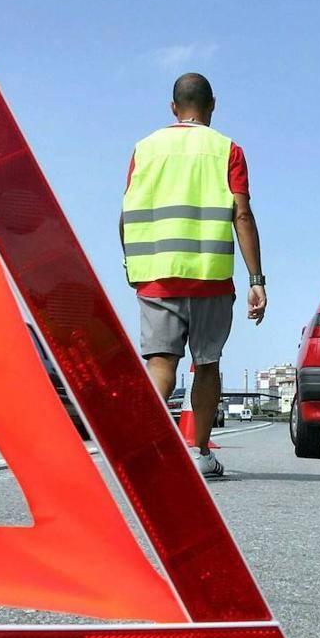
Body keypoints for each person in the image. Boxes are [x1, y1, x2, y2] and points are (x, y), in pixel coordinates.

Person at [120, 72, 266, 476]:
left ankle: (142, 451)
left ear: (172, 108)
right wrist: (257, 280)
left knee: (160, 363)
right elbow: (242, 214)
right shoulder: (228, 150)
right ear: (212, 105)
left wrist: (131, 265)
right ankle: (199, 453)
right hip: (210, 274)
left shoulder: (144, 148)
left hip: (156, 273)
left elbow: (127, 212)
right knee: (207, 364)